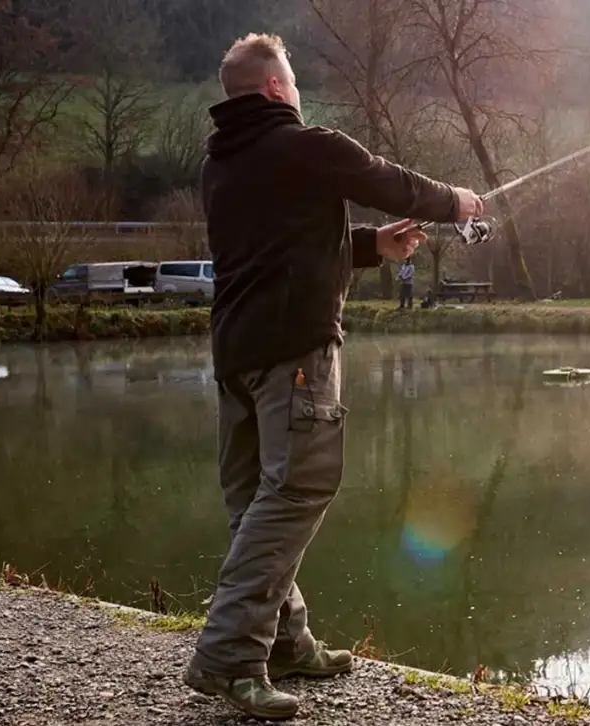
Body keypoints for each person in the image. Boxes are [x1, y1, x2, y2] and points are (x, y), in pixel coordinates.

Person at [182, 33, 483, 721]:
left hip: (236, 356)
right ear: (271, 89)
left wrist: (373, 247)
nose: (297, 88)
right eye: (291, 78)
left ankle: (287, 644)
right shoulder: (304, 145)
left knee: (256, 502)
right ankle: (229, 656)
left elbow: (281, 250)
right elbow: (388, 180)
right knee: (296, 490)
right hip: (294, 353)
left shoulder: (221, 164)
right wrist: (457, 203)